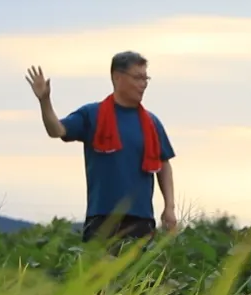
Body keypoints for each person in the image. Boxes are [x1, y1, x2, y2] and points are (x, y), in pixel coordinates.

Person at [25, 51, 177, 251]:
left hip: (141, 220)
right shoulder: (92, 114)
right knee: (100, 281)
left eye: (145, 78)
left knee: (140, 281)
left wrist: (169, 207)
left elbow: (163, 164)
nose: (143, 84)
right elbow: (57, 130)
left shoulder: (151, 123)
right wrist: (45, 101)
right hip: (102, 219)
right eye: (137, 77)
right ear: (117, 77)